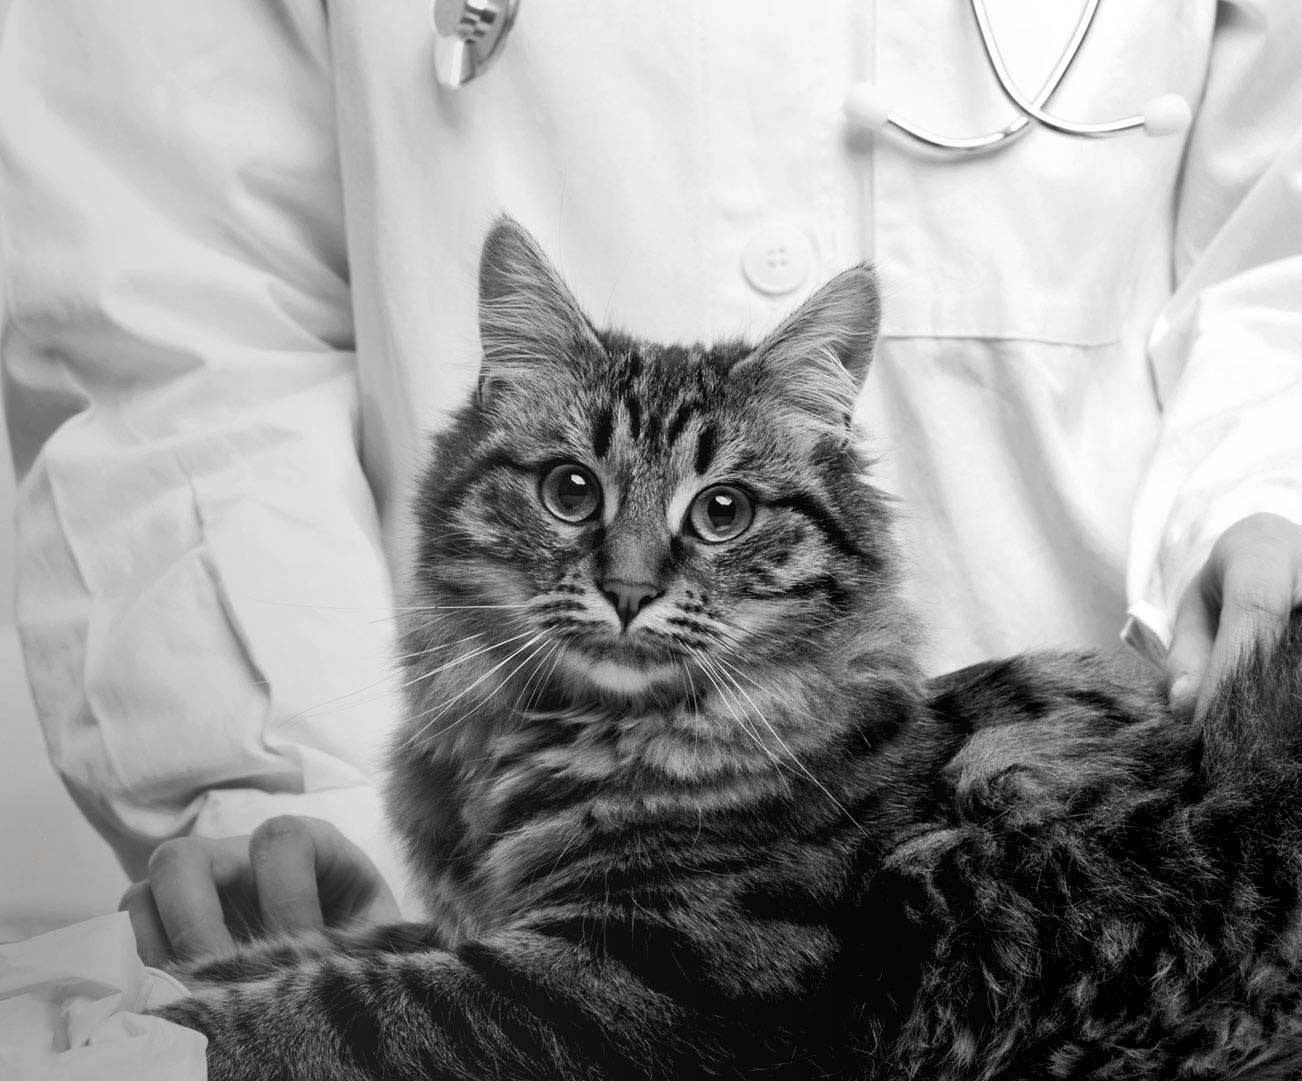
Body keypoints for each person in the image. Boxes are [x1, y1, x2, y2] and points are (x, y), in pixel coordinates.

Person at [2, 1, 1301, 961]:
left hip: (1119, 868)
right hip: (459, 832)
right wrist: (302, 790)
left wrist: (1265, 485)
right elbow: (169, 310)